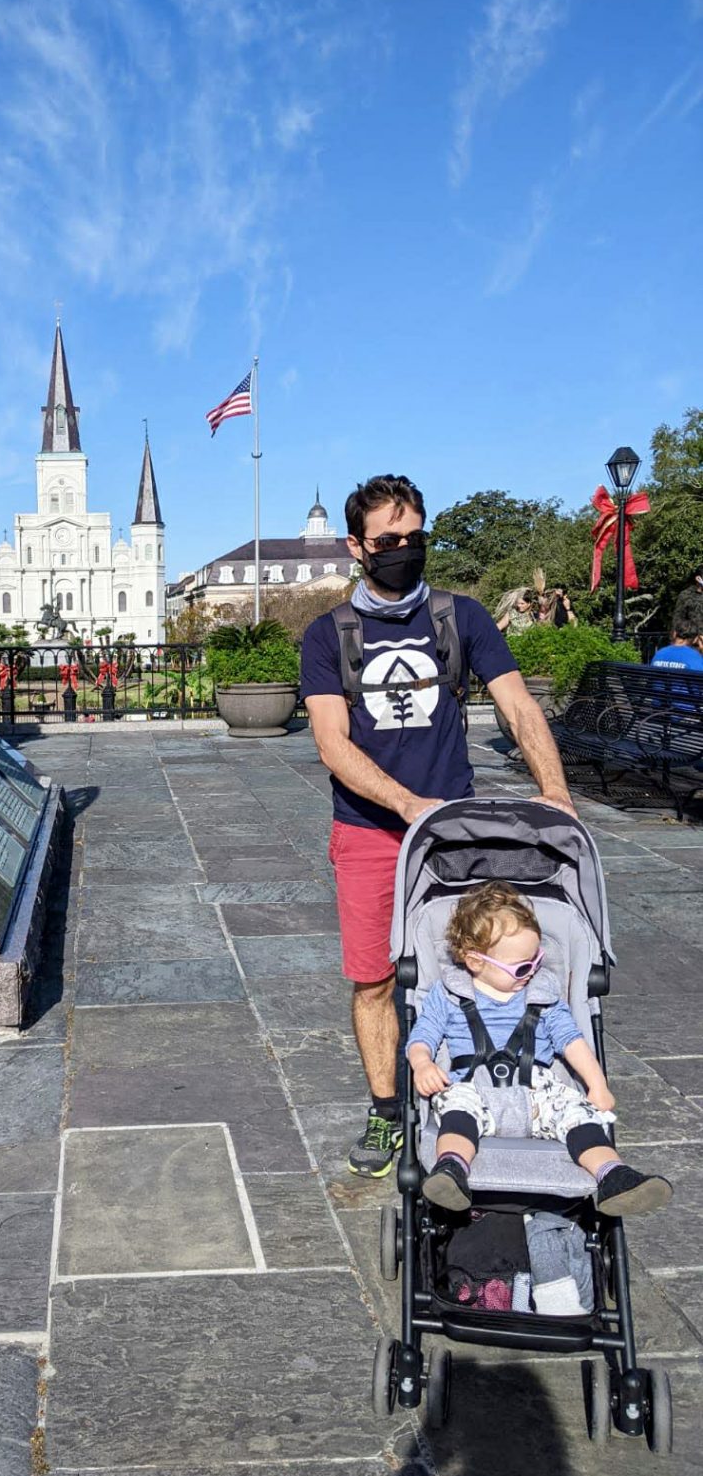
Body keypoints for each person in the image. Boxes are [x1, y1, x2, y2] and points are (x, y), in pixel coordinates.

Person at [301, 474, 577, 1179]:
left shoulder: (462, 619)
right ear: (357, 547)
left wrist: (557, 797)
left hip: (456, 831)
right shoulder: (328, 637)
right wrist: (403, 804)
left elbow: (518, 709)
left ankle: (467, 1101)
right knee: (373, 980)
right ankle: (389, 1110)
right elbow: (332, 743)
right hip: (369, 829)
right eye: (388, 541)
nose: (403, 549)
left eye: (414, 537)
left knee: (470, 968)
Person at [407, 882, 672, 1218]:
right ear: (475, 961)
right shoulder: (448, 995)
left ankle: (613, 1175)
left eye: (537, 960)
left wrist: (597, 1084)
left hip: (537, 1093)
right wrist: (422, 1064)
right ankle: (451, 1170)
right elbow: (422, 1037)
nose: (531, 971)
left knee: (577, 1114)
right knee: (456, 1110)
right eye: (521, 967)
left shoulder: (542, 995)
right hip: (475, 1088)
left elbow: (572, 1041)